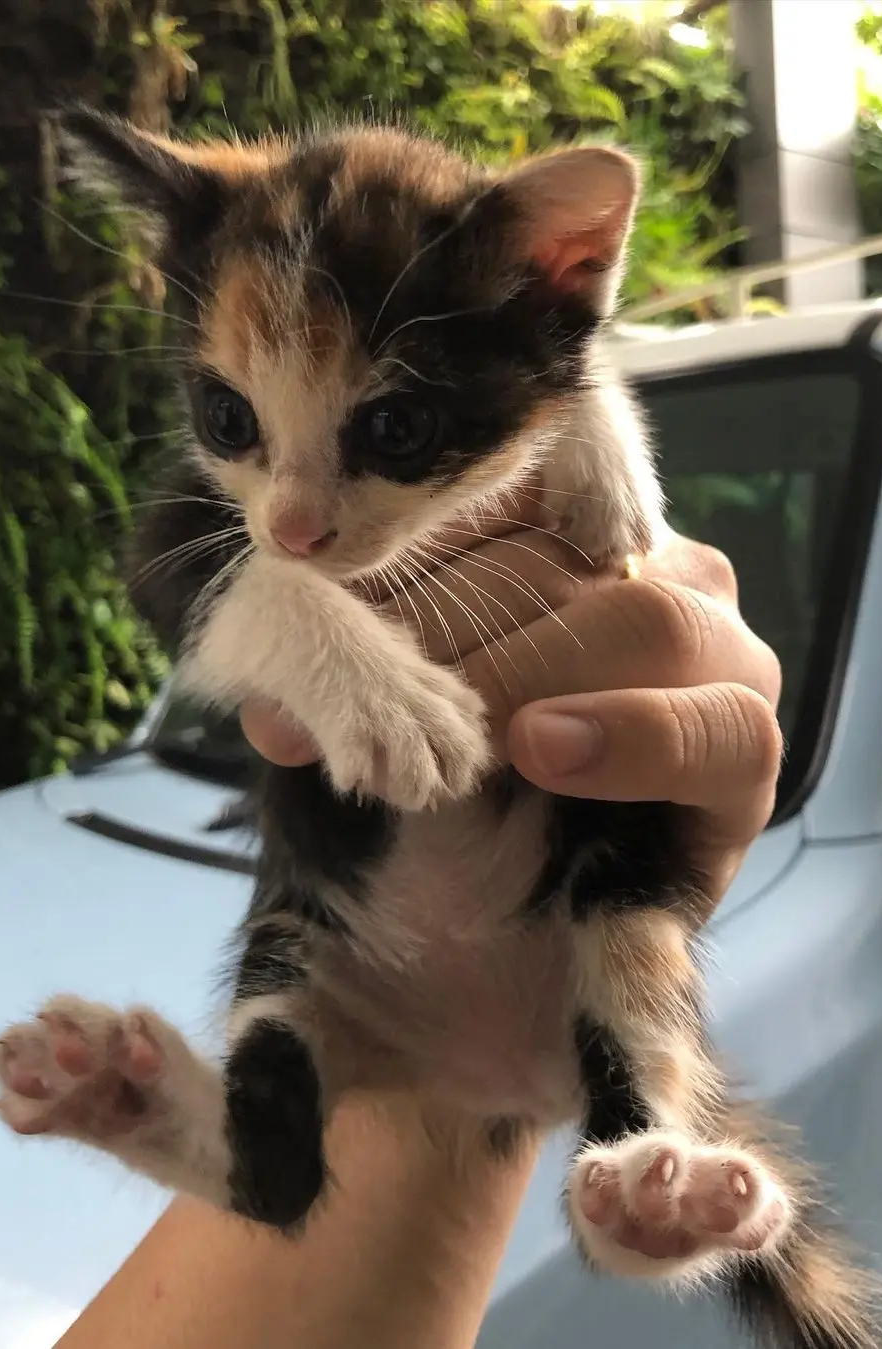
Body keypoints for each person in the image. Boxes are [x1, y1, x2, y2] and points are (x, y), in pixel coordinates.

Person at [55, 497, 782, 1349]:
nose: (294, 512)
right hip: (365, 957)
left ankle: (640, 1134)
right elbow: (173, 567)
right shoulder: (268, 512)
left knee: (622, 908)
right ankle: (244, 1147)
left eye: (399, 430)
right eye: (232, 431)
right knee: (296, 948)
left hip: (522, 913)